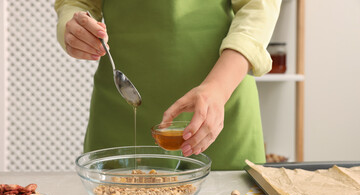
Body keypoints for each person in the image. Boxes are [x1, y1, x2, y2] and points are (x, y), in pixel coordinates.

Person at [54, 0, 281, 170]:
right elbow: (76, 3)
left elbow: (259, 6)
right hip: (120, 115)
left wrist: (219, 88)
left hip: (220, 105)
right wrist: (74, 27)